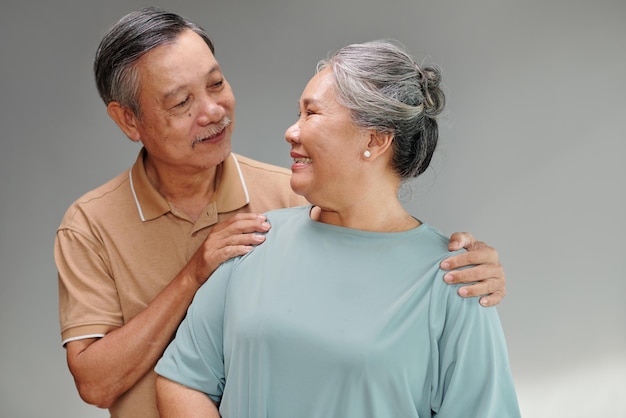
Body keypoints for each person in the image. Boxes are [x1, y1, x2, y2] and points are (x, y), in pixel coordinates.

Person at [54, 7, 508, 418]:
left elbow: (371, 226)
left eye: (215, 84)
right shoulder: (94, 226)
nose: (213, 111)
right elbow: (114, 381)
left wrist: (472, 276)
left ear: (375, 139)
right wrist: (195, 273)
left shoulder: (293, 197)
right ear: (128, 120)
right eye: (180, 102)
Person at [155, 40, 521, 417]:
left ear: (375, 140)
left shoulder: (455, 280)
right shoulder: (252, 242)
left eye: (311, 114)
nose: (291, 132)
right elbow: (183, 379)